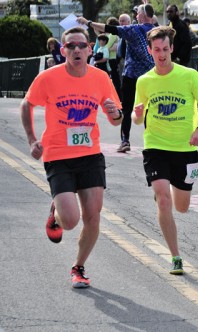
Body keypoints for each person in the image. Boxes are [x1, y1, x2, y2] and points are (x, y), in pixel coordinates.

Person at [20, 27, 122, 288]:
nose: (76, 50)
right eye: (70, 46)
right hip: (58, 156)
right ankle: (56, 213)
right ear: (63, 50)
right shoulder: (49, 77)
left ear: (90, 49)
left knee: (92, 215)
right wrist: (32, 139)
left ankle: (79, 267)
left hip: (90, 155)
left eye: (81, 45)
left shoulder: (101, 78)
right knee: (71, 220)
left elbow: (115, 117)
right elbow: (27, 104)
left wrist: (115, 113)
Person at [132, 26, 198, 275]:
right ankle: (175, 256)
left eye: (165, 49)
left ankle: (168, 192)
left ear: (172, 49)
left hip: (186, 148)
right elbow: (135, 115)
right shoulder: (144, 81)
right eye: (156, 50)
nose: (161, 54)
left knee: (182, 206)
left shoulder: (190, 76)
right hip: (155, 146)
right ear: (150, 51)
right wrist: (137, 114)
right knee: (164, 199)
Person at [77, 4, 155, 153]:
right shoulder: (156, 31)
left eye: (137, 13)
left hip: (132, 76)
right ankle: (151, 143)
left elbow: (109, 28)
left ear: (143, 15)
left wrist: (88, 23)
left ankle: (125, 141)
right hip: (151, 76)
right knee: (150, 109)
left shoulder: (134, 30)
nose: (136, 16)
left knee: (126, 108)